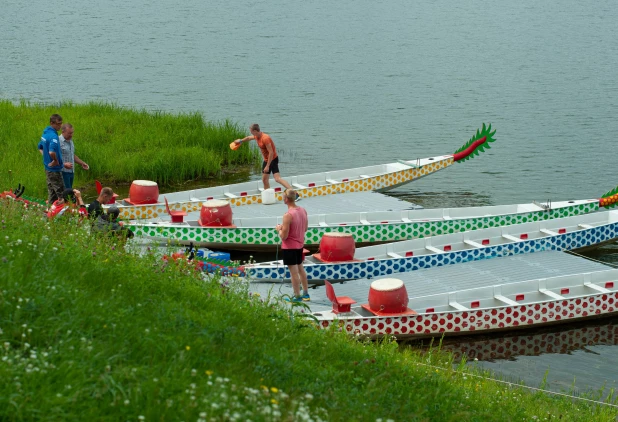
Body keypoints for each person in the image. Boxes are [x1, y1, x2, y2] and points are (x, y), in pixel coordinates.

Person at [234, 124, 298, 197]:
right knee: (265, 180)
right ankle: (268, 196)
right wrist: (240, 141)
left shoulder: (265, 138)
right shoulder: (257, 136)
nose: (250, 132)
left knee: (277, 179)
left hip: (272, 159)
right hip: (267, 159)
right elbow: (248, 138)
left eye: (251, 131)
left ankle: (294, 193)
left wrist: (267, 166)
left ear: (255, 131)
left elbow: (271, 152)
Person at [276, 189, 310, 302]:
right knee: (301, 269)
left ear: (286, 199)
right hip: (300, 245)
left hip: (290, 247)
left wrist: (278, 230)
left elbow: (284, 236)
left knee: (294, 273)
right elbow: (305, 228)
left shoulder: (288, 215)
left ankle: (297, 296)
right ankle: (306, 294)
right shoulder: (303, 210)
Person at [38, 114, 64, 204]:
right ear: (51, 123)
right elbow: (51, 152)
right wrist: (55, 160)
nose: (60, 126)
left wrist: (46, 157)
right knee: (61, 193)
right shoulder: (53, 136)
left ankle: (50, 209)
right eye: (58, 124)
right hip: (54, 169)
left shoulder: (45, 133)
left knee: (52, 192)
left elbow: (40, 147)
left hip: (47, 167)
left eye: (61, 124)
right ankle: (64, 212)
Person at [59, 123, 89, 189]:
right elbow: (53, 157)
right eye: (69, 133)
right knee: (66, 193)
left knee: (69, 191)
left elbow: (72, 155)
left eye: (72, 133)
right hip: (62, 172)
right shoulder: (58, 141)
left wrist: (82, 163)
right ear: (63, 132)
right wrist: (63, 164)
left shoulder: (70, 141)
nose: (71, 135)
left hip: (71, 172)